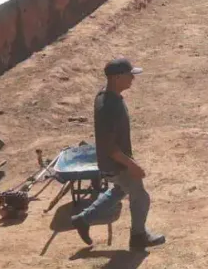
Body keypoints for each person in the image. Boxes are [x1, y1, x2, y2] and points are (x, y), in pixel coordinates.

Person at [70, 58, 165, 249]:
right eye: (130, 75)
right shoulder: (109, 107)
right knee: (141, 197)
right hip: (116, 163)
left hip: (110, 162)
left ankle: (83, 219)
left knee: (120, 190)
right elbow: (110, 147)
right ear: (117, 77)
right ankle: (138, 237)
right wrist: (132, 165)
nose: (132, 79)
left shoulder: (106, 96)